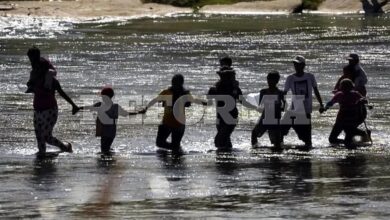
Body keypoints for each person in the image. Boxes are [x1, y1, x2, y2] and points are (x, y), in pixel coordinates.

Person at [27, 50, 79, 157]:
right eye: (35, 67)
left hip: (50, 110)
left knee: (46, 137)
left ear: (44, 69)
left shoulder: (52, 81)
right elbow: (31, 88)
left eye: (38, 67)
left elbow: (62, 93)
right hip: (37, 110)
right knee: (39, 136)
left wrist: (73, 105)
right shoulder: (34, 77)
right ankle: (41, 155)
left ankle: (65, 147)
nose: (36, 69)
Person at [143, 74, 207, 154]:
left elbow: (193, 100)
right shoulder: (168, 92)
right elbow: (155, 100)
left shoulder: (184, 93)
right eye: (174, 82)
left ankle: (176, 151)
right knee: (161, 143)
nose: (175, 83)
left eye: (177, 82)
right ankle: (177, 150)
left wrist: (203, 102)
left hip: (177, 124)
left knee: (169, 145)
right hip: (168, 122)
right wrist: (146, 108)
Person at [208, 57, 258, 152]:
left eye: (226, 76)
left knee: (219, 140)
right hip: (220, 116)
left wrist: (254, 108)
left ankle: (227, 159)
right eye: (222, 76)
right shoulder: (216, 87)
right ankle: (228, 161)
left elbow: (242, 101)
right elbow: (209, 101)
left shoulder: (234, 88)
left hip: (232, 116)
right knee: (225, 140)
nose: (224, 78)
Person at [79, 87, 144, 155]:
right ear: (112, 96)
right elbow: (127, 113)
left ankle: (107, 161)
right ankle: (110, 156)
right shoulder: (115, 107)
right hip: (112, 133)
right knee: (106, 148)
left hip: (104, 132)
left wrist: (78, 108)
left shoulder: (100, 105)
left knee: (104, 150)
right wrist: (139, 112)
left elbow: (88, 107)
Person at [282, 55, 324, 150]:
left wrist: (321, 104)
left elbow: (316, 91)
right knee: (283, 127)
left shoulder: (310, 77)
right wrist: (282, 103)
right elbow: (284, 93)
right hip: (294, 108)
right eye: (295, 64)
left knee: (307, 138)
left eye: (298, 64)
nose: (296, 66)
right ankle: (280, 145)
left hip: (306, 109)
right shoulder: (290, 78)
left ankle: (307, 148)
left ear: (303, 65)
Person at [320, 79, 369, 147]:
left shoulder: (355, 94)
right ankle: (356, 139)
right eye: (343, 87)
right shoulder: (339, 94)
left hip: (351, 120)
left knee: (348, 141)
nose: (345, 89)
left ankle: (362, 135)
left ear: (351, 87)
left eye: (347, 87)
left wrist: (363, 101)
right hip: (340, 119)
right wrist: (325, 108)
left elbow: (365, 101)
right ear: (341, 87)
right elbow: (331, 103)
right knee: (332, 139)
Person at [251, 71, 285, 149]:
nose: (269, 82)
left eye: (272, 80)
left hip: (276, 119)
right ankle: (254, 149)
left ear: (277, 81)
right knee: (254, 133)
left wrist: (278, 106)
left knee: (277, 143)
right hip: (265, 118)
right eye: (268, 80)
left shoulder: (280, 93)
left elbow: (284, 107)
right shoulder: (263, 92)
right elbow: (260, 106)